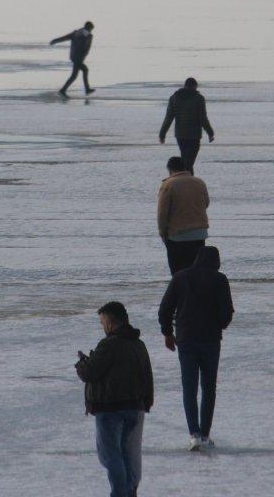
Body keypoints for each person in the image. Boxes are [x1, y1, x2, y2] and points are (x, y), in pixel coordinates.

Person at [158, 246, 233, 451]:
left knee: (189, 387)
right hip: (211, 340)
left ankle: (194, 433)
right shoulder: (219, 280)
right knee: (209, 388)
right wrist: (218, 325)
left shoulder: (180, 277)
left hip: (186, 339)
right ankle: (205, 434)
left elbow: (165, 308)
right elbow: (227, 312)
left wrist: (168, 333)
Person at [75, 302, 153, 497]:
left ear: (110, 322)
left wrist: (82, 364)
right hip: (136, 407)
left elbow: (91, 373)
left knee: (110, 456)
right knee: (130, 454)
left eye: (102, 322)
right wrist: (146, 402)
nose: (103, 327)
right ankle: (130, 491)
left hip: (110, 409)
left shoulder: (109, 344)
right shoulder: (138, 344)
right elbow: (147, 375)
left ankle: (120, 493)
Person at [157, 156, 211, 274]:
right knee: (196, 270)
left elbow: (162, 213)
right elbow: (206, 203)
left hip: (178, 235)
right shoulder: (199, 182)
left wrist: (162, 233)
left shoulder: (168, 185)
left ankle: (181, 292)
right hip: (199, 233)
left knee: (178, 272)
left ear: (170, 169)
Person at [158, 77, 215, 173]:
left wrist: (162, 134)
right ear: (195, 86)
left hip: (180, 135)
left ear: (185, 85)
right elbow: (203, 118)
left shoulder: (174, 98)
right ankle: (188, 182)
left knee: (186, 161)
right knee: (188, 163)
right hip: (194, 136)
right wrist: (210, 133)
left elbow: (168, 118)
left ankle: (185, 181)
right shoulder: (199, 99)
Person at [50, 21, 95, 96]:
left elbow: (86, 46)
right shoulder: (77, 34)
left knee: (74, 75)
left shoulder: (88, 35)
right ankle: (86, 89)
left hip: (79, 57)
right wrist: (55, 41)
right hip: (76, 57)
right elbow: (65, 37)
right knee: (84, 70)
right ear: (87, 28)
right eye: (90, 29)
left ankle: (63, 90)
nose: (91, 31)